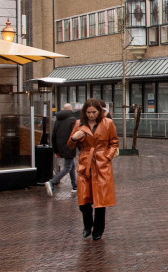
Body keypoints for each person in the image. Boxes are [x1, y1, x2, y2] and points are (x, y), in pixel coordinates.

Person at [68, 98, 119, 241]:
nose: (91, 115)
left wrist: (107, 157)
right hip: (85, 163)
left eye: (94, 112)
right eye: (88, 112)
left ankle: (98, 229)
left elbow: (114, 142)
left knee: (100, 200)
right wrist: (74, 138)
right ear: (85, 112)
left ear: (99, 111)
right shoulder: (79, 124)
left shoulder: (108, 123)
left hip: (101, 163)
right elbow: (70, 145)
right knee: (84, 199)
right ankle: (87, 225)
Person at [45, 103, 77, 196]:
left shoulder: (57, 120)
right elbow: (74, 135)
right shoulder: (73, 120)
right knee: (67, 167)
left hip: (60, 146)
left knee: (71, 165)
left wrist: (56, 150)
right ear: (70, 110)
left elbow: (53, 135)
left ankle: (74, 186)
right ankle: (52, 182)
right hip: (69, 146)